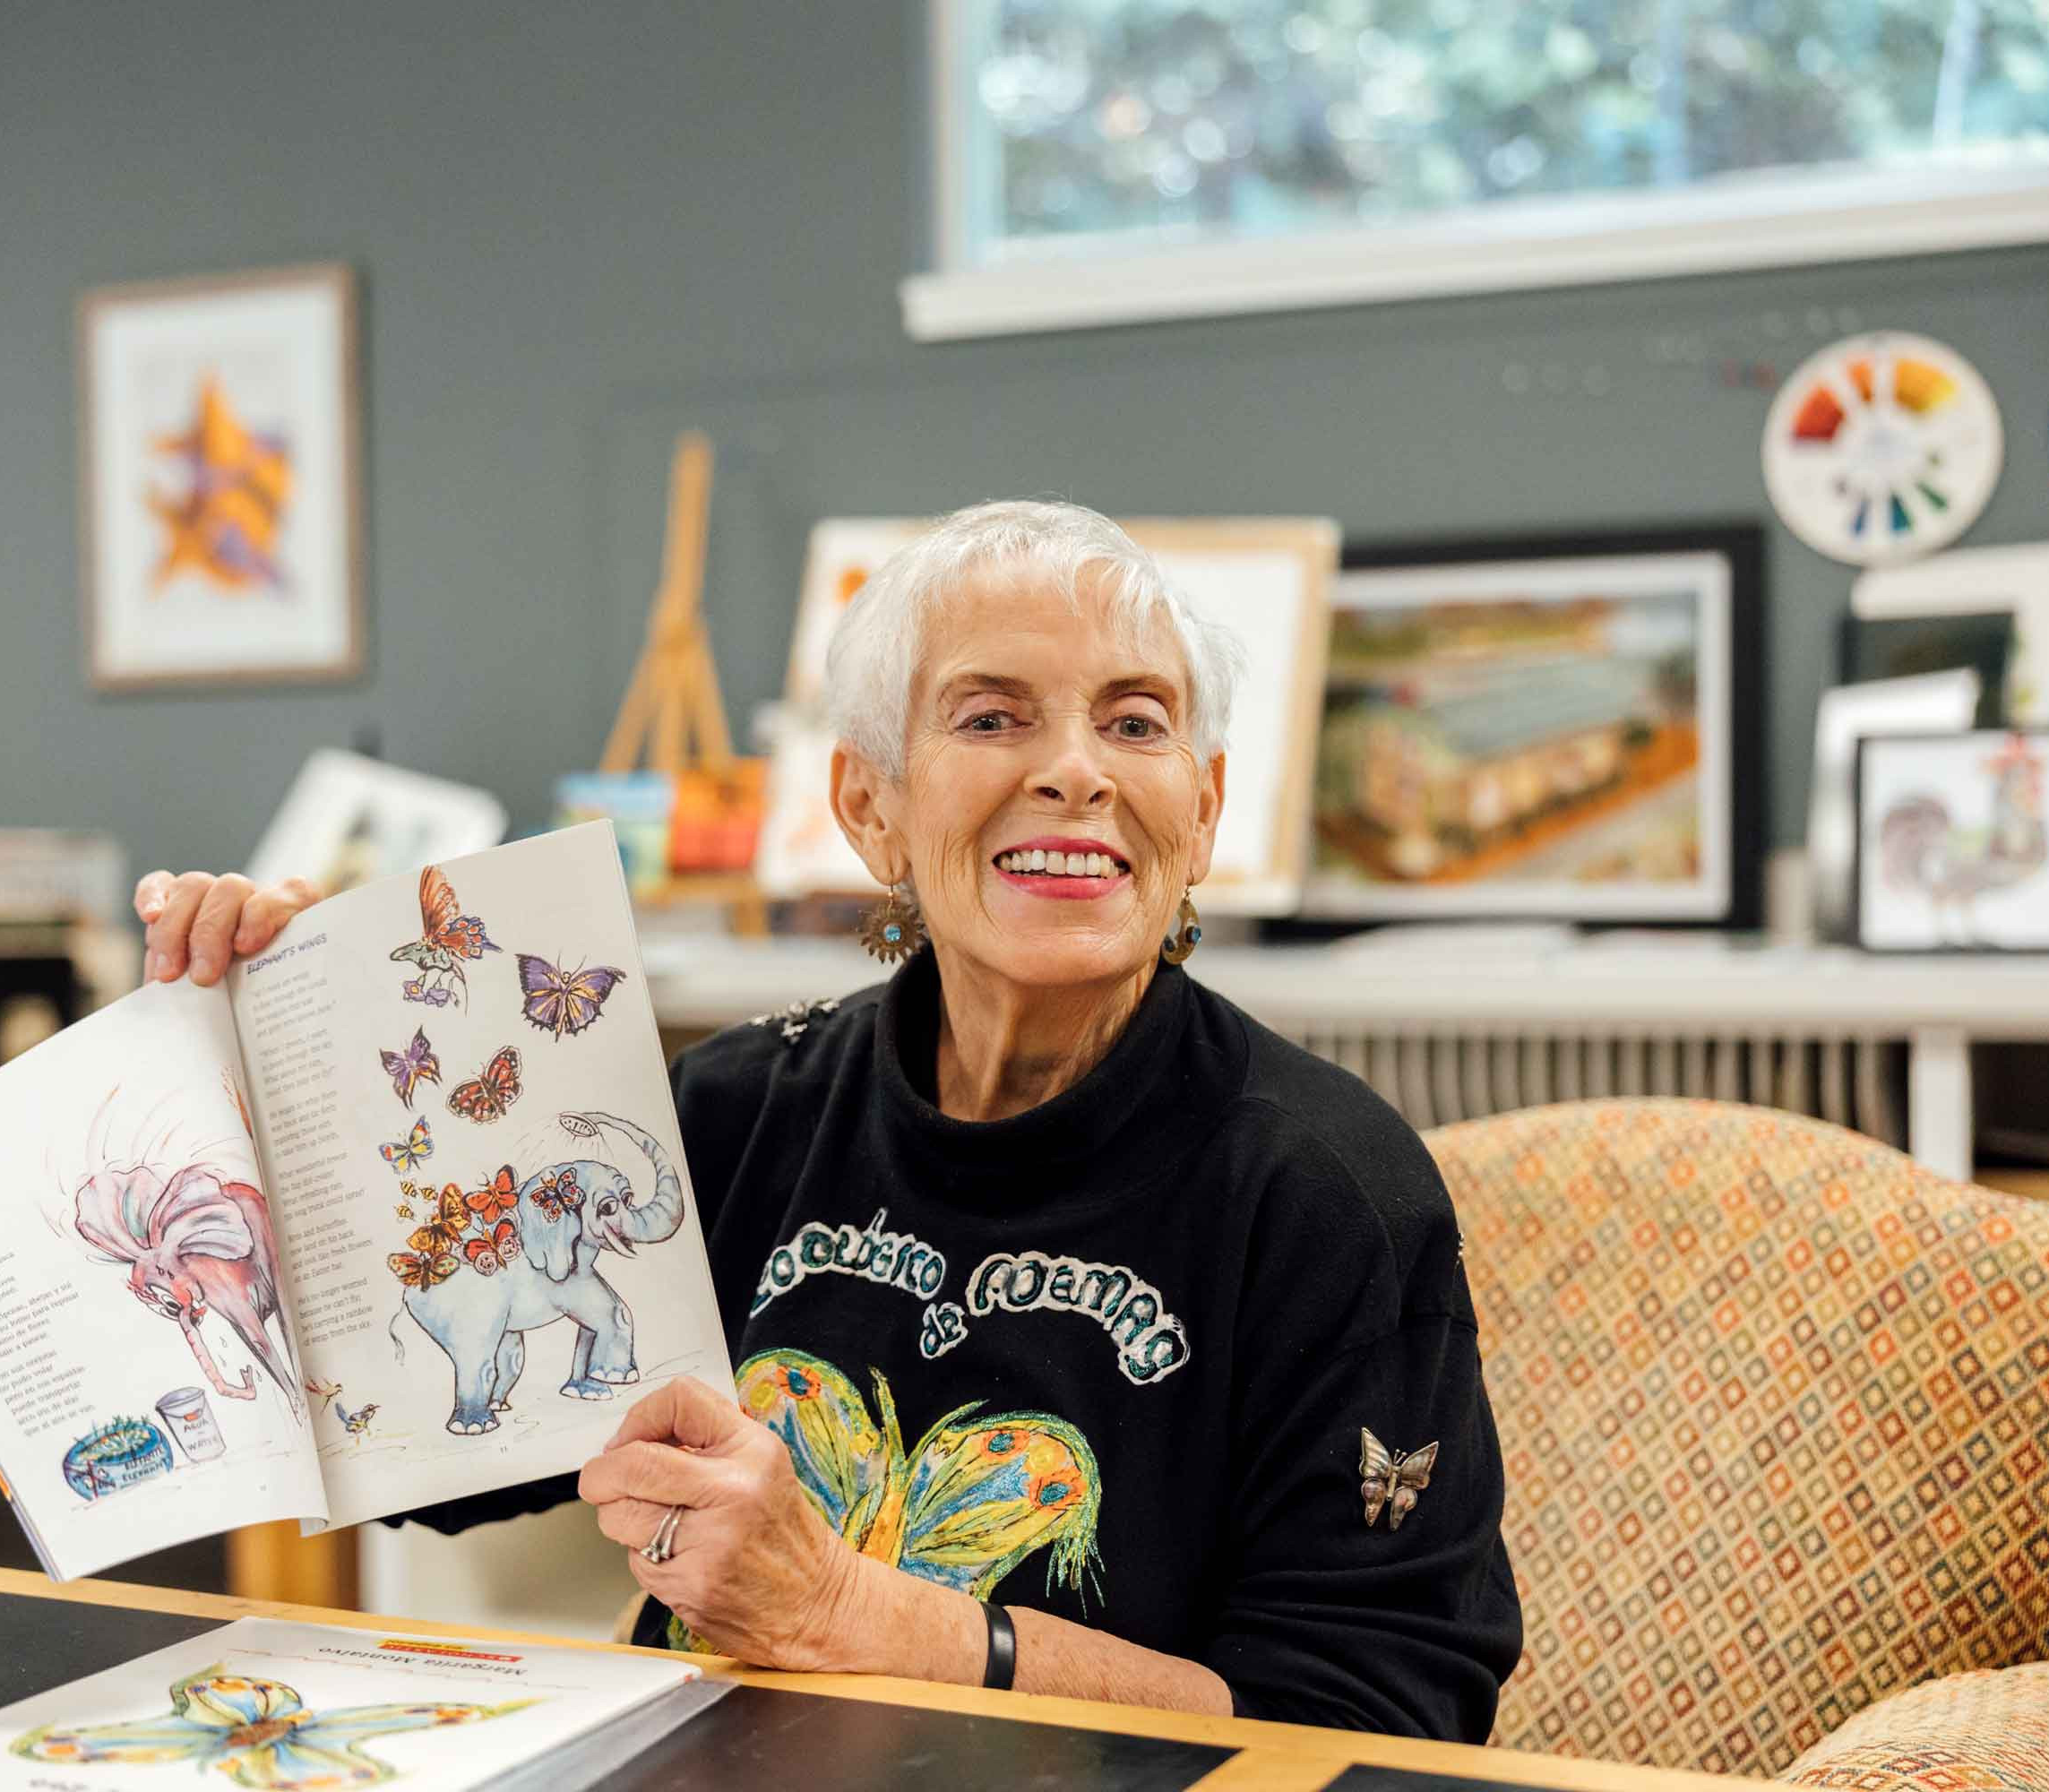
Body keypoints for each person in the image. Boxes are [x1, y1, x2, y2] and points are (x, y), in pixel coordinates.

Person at [132, 500, 1522, 1737]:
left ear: (1202, 809)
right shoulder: (741, 1110)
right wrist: (304, 1062)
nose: (1079, 772)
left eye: (1137, 721)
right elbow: (437, 1459)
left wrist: (868, 1621)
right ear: (870, 805)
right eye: (992, 717)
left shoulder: (1327, 1191)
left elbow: (1376, 1728)